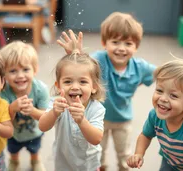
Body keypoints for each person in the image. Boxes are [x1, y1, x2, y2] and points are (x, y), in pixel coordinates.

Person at [58, 12, 157, 171]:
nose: (121, 48)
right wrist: (75, 53)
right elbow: (82, 66)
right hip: (98, 118)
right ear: (104, 42)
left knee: (124, 153)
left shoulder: (141, 67)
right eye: (115, 42)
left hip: (122, 120)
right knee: (98, 152)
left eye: (128, 43)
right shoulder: (99, 59)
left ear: (136, 46)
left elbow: (161, 73)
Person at [38, 40, 106, 170]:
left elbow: (96, 139)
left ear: (94, 87)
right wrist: (54, 113)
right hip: (63, 164)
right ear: (58, 86)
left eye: (83, 82)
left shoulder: (96, 108)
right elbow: (42, 126)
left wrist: (82, 120)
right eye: (68, 81)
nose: (75, 87)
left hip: (89, 165)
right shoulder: (57, 103)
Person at [0, 41, 49, 171]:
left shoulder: (41, 90)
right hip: (13, 134)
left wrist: (32, 111)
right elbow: (4, 122)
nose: (20, 75)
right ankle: (14, 161)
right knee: (13, 149)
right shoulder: (3, 93)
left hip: (34, 132)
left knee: (35, 148)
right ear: (4, 74)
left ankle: (35, 160)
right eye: (13, 71)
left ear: (35, 69)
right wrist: (12, 109)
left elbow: (45, 117)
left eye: (26, 69)